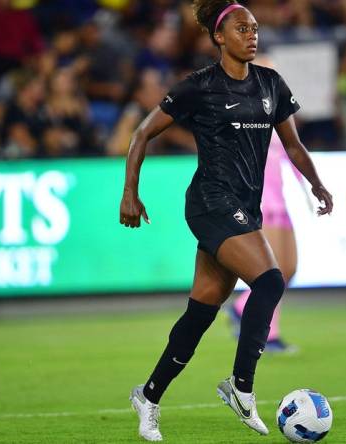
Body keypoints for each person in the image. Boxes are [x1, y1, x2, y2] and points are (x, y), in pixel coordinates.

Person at [119, 1, 333, 441]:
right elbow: (142, 133)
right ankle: (241, 386)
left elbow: (292, 146)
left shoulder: (271, 84)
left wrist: (316, 184)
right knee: (271, 281)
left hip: (244, 206)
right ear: (219, 37)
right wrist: (130, 193)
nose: (251, 35)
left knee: (201, 310)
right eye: (241, 28)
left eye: (254, 28)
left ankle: (149, 396)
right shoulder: (199, 87)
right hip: (210, 202)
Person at [226, 55, 307, 354]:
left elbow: (293, 151)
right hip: (258, 202)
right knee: (272, 272)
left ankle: (251, 314)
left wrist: (310, 186)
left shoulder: (279, 113)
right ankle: (262, 328)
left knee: (289, 268)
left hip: (280, 201)